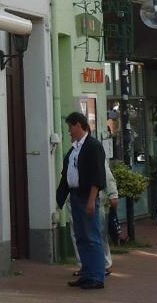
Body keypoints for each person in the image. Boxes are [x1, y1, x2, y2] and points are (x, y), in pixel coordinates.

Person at [57, 112, 107, 290]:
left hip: (87, 196)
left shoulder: (93, 146)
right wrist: (60, 198)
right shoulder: (75, 149)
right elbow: (68, 173)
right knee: (81, 237)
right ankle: (86, 273)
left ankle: (96, 276)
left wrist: (92, 200)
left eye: (70, 127)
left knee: (92, 237)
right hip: (76, 195)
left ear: (78, 125)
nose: (69, 131)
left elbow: (97, 175)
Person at [72, 157, 117, 277]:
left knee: (98, 232)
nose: (70, 136)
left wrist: (112, 193)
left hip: (95, 199)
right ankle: (84, 265)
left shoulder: (93, 148)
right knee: (78, 234)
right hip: (75, 198)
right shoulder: (73, 151)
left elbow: (105, 172)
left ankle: (105, 264)